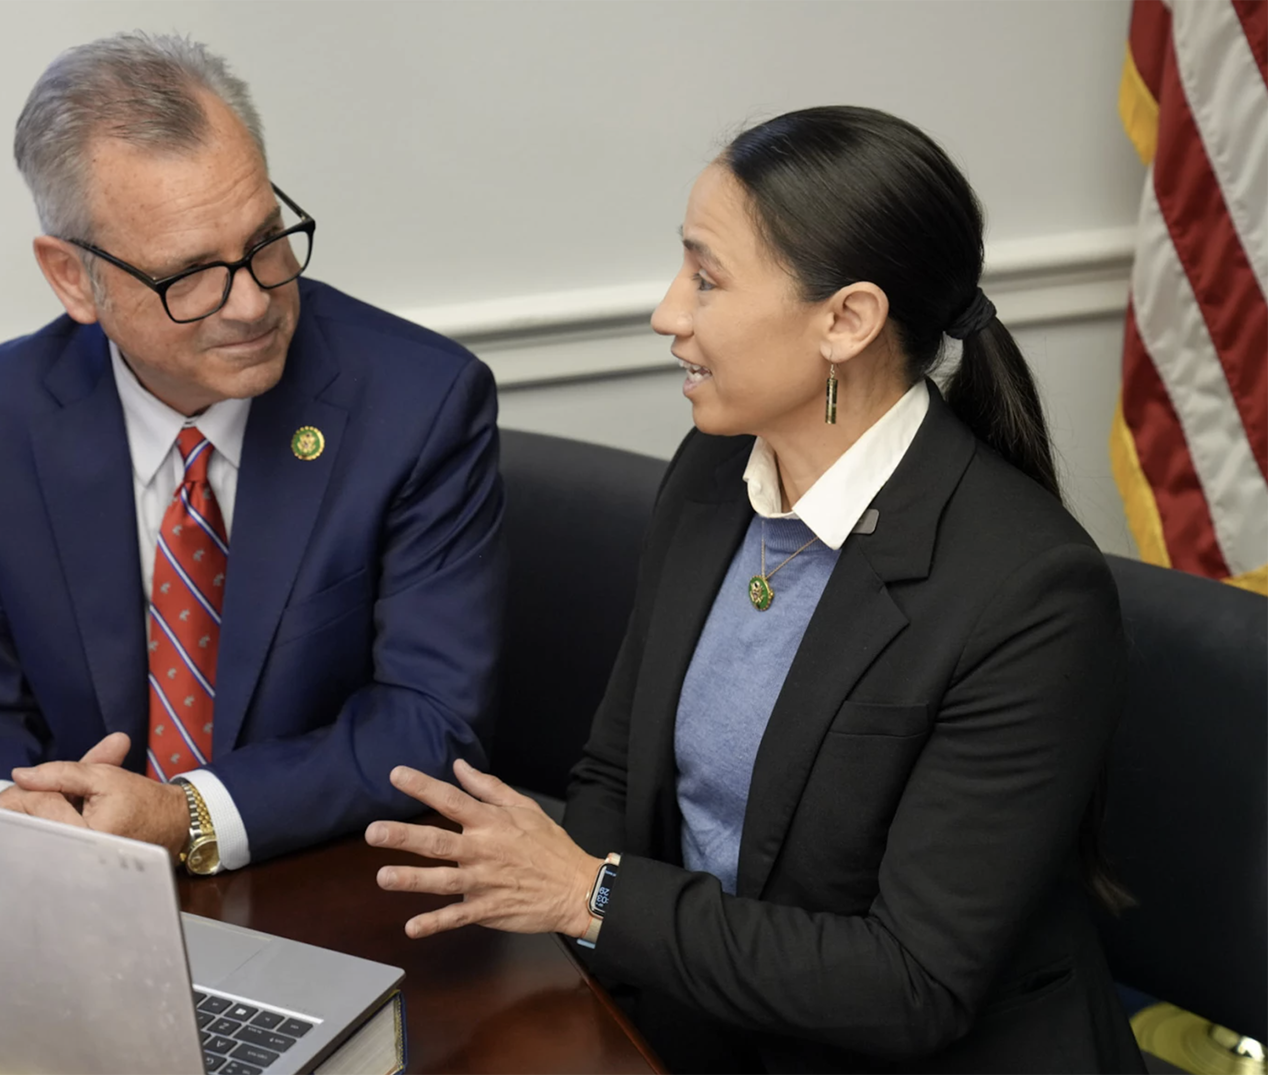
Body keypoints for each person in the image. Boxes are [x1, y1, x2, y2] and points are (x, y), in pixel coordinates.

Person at [365, 106, 1144, 1074]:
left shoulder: (1030, 597)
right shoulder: (713, 469)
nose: (667, 313)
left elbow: (911, 984)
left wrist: (588, 897)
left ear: (846, 319)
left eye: (706, 276)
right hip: (704, 1021)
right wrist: (549, 909)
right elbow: (617, 772)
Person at [0, 32, 504, 877]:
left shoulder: (417, 403)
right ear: (74, 278)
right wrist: (13, 809)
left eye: (265, 240)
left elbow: (428, 720)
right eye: (190, 275)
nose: (252, 302)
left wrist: (186, 815)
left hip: (322, 886)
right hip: (77, 895)